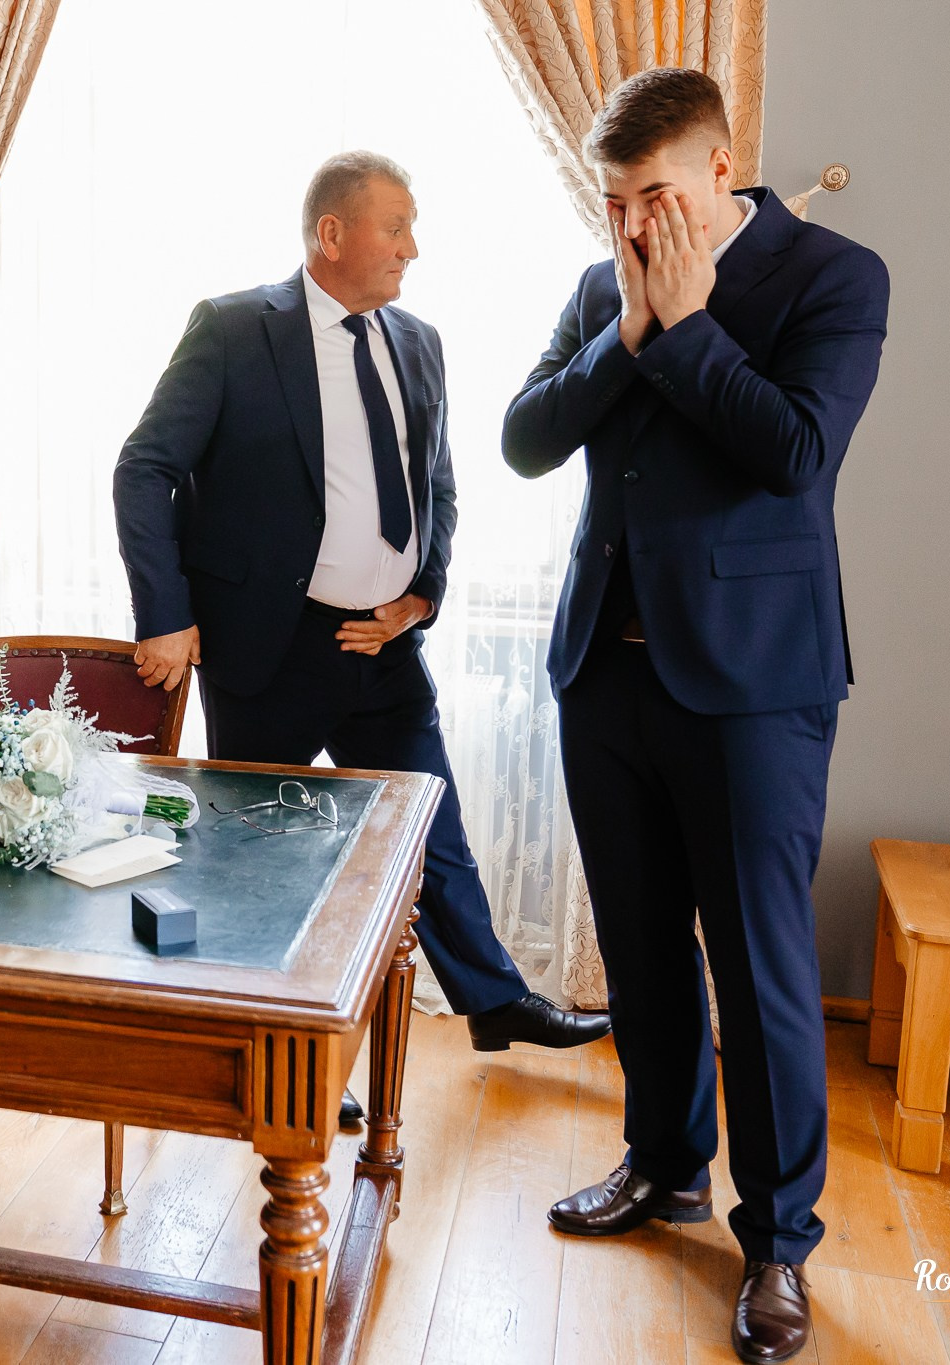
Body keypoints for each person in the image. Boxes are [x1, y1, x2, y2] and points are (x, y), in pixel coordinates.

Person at [501, 69, 889, 1363]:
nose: (629, 222)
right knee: (642, 949)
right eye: (613, 199)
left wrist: (691, 327)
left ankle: (777, 1244)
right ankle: (662, 1164)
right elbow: (524, 440)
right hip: (601, 679)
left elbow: (793, 453)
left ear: (721, 171)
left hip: (755, 690)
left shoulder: (835, 278)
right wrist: (628, 331)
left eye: (652, 195)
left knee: (763, 971)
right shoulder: (601, 282)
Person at [114, 151, 611, 1131]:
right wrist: (164, 613)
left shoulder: (417, 341)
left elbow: (435, 487)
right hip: (268, 648)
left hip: (384, 651)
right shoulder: (233, 329)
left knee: (432, 827)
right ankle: (280, 1043)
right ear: (329, 235)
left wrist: (418, 598)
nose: (411, 249)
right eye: (395, 228)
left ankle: (495, 1001)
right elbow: (145, 467)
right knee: (255, 861)